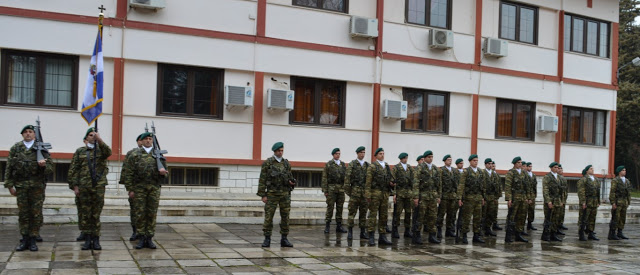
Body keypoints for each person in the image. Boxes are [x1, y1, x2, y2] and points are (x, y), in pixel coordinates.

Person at [4, 125, 52, 252]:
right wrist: (9, 185)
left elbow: (50, 169)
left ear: (34, 134)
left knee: (35, 214)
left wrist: (43, 166)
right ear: (22, 135)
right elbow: (9, 167)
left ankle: (33, 239)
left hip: (36, 187)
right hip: (21, 187)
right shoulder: (16, 148)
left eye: (31, 132)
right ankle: (24, 238)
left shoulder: (41, 148)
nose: (28, 134)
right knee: (23, 214)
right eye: (25, 132)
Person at [68, 128, 112, 250]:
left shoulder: (101, 150)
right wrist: (75, 186)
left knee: (95, 214)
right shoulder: (80, 151)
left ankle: (96, 239)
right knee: (86, 214)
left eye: (95, 135)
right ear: (86, 138)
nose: (93, 137)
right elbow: (73, 169)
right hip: (84, 187)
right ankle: (87, 239)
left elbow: (108, 152)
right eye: (90, 135)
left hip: (98, 186)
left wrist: (100, 140)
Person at [123, 132, 168, 249]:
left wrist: (163, 173)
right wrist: (130, 189)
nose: (148, 141)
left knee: (151, 213)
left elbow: (166, 174)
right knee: (140, 213)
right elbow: (128, 173)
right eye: (146, 139)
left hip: (153, 188)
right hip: (139, 188)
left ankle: (149, 238)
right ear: (141, 141)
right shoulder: (134, 155)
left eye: (150, 139)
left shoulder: (158, 155)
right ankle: (141, 237)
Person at [256, 142, 296, 247]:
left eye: (282, 150)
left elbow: (290, 177)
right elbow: (262, 179)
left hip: (284, 194)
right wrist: (263, 195)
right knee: (269, 216)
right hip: (272, 194)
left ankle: (284, 238)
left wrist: (292, 182)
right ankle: (267, 238)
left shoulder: (286, 163)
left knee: (285, 216)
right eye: (279, 151)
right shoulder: (268, 163)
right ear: (274, 151)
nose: (280, 152)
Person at [365, 148, 394, 245]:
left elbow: (390, 178)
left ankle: (382, 236)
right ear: (376, 155)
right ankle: (371, 236)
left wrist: (391, 183)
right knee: (373, 215)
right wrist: (368, 194)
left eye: (383, 154)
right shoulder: (372, 166)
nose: (382, 155)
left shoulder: (386, 166)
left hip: (384, 194)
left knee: (383, 216)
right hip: (375, 193)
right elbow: (368, 182)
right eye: (380, 154)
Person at [412, 150, 441, 244]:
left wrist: (438, 196)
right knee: (420, 216)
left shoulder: (435, 168)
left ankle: (432, 235)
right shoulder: (420, 168)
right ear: (424, 158)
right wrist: (416, 197)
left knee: (433, 216)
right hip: (423, 196)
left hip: (432, 196)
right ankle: (417, 235)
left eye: (432, 157)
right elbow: (416, 183)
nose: (431, 159)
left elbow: (439, 184)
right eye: (429, 157)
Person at [119, 134, 144, 241]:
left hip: (148, 188)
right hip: (135, 187)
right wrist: (129, 188)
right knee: (135, 210)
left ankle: (145, 234)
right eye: (141, 140)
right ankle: (135, 231)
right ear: (138, 142)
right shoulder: (132, 153)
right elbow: (126, 171)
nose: (144, 142)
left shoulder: (153, 153)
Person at [456, 154, 485, 244]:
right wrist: (459, 198)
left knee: (477, 218)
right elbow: (461, 185)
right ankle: (464, 234)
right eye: (474, 161)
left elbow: (483, 186)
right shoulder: (466, 171)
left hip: (478, 198)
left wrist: (483, 197)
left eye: (476, 160)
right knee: (466, 218)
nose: (475, 162)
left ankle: (476, 235)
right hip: (468, 198)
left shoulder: (480, 171)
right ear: (470, 162)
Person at [344, 146, 369, 240]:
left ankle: (363, 232)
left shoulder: (367, 165)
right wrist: (350, 192)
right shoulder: (352, 164)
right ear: (357, 153)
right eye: (361, 152)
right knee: (352, 213)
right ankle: (350, 231)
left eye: (364, 152)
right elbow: (347, 180)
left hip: (364, 193)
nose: (362, 154)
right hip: (355, 192)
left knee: (363, 213)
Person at [322, 148, 347, 234]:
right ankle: (327, 225)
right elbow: (324, 178)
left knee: (340, 208)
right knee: (330, 207)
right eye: (336, 153)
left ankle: (339, 226)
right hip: (331, 189)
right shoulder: (329, 164)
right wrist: (325, 190)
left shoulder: (343, 165)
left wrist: (345, 188)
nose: (338, 155)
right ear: (333, 155)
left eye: (339, 153)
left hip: (340, 189)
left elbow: (346, 178)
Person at [504, 156, 528, 243]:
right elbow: (508, 187)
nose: (520, 164)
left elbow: (527, 186)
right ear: (514, 164)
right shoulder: (511, 173)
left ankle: (518, 234)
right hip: (514, 198)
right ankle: (509, 235)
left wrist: (527, 197)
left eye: (521, 162)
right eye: (518, 162)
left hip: (522, 198)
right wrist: (509, 199)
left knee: (521, 216)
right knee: (512, 216)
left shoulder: (524, 173)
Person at [391, 153, 414, 239]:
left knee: (408, 212)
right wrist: (394, 194)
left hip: (408, 194)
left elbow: (413, 180)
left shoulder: (409, 168)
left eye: (406, 158)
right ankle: (395, 230)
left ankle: (407, 230)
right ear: (400, 159)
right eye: (404, 158)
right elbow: (393, 181)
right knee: (397, 212)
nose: (405, 159)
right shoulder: (396, 168)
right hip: (400, 193)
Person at [437, 154, 458, 239]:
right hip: (444, 196)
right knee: (441, 214)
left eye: (451, 159)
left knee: (451, 214)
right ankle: (438, 230)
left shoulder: (454, 170)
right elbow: (440, 184)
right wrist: (439, 196)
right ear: (445, 161)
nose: (450, 161)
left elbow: (456, 183)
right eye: (448, 160)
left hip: (452, 196)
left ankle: (449, 230)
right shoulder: (441, 170)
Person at [577, 165, 600, 241]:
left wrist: (598, 201)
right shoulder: (584, 179)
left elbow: (598, 192)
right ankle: (581, 233)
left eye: (593, 168)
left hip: (594, 201)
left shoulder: (596, 179)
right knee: (584, 218)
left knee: (592, 218)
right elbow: (581, 192)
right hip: (587, 201)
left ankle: (591, 232)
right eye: (590, 169)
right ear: (587, 171)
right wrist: (583, 202)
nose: (592, 170)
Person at [541, 162, 563, 242]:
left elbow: (561, 191)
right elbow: (545, 190)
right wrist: (548, 201)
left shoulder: (559, 177)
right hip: (551, 200)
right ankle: (546, 235)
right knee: (548, 218)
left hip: (557, 201)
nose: (557, 169)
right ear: (551, 168)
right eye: (555, 167)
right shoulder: (547, 177)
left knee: (555, 218)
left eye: (557, 167)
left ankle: (553, 234)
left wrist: (561, 200)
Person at [609, 165, 631, 240]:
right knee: (616, 217)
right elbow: (612, 192)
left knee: (622, 218)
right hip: (617, 201)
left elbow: (628, 192)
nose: (625, 171)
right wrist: (613, 202)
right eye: (623, 170)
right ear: (619, 172)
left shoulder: (627, 181)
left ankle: (620, 232)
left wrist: (628, 201)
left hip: (624, 202)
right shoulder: (615, 180)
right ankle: (612, 233)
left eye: (625, 170)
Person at [482, 159, 500, 237]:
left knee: (490, 214)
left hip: (492, 197)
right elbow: (481, 186)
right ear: (485, 164)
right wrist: (482, 197)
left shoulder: (494, 174)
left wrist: (496, 197)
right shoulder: (482, 173)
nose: (490, 165)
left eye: (491, 164)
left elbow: (498, 186)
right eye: (488, 164)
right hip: (485, 197)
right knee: (483, 214)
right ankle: (480, 229)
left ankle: (488, 229)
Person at [524, 162, 537, 231]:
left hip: (532, 195)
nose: (530, 168)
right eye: (528, 166)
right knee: (524, 211)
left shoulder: (533, 175)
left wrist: (534, 195)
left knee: (531, 210)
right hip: (526, 196)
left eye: (531, 166)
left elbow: (534, 186)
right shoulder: (524, 175)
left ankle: (530, 224)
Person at [557, 165, 568, 232]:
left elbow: (566, 189)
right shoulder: (557, 178)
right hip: (558, 199)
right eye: (559, 169)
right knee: (557, 213)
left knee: (562, 212)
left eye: (561, 169)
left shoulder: (563, 178)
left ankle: (561, 223)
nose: (561, 170)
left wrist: (565, 198)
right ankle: (557, 226)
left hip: (563, 198)